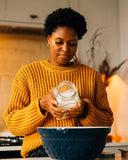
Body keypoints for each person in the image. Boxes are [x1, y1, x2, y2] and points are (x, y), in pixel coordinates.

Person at [4, 8, 113, 158]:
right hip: (41, 151)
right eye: (59, 42)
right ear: (49, 39)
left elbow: (107, 120)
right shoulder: (28, 73)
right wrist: (42, 105)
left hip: (82, 150)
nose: (66, 49)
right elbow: (13, 124)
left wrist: (86, 110)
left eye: (72, 43)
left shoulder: (91, 76)